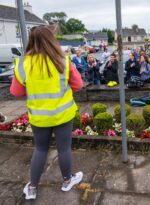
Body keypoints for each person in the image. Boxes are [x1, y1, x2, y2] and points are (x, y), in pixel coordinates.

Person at [10, 26, 83, 200]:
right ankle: (67, 181)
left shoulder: (22, 64)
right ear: (52, 39)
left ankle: (33, 188)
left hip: (39, 117)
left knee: (40, 149)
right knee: (64, 149)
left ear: (31, 40)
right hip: (63, 115)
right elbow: (78, 85)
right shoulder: (63, 61)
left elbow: (16, 92)